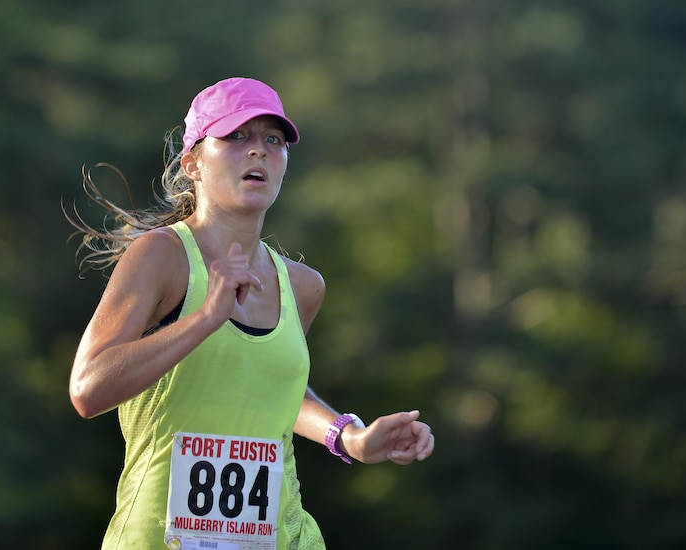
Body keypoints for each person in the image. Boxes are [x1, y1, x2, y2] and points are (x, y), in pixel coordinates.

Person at [68, 77, 435, 550]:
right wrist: (203, 319)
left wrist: (351, 437)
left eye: (273, 140)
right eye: (237, 136)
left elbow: (274, 391)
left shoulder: (303, 287)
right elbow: (88, 389)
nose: (258, 151)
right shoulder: (160, 257)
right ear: (193, 163)